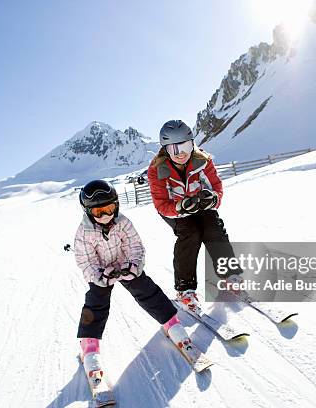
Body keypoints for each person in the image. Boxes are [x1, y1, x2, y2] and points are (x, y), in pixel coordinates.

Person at [74, 179, 193, 379]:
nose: (105, 216)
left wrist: (133, 266)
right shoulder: (84, 233)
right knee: (96, 301)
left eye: (109, 208)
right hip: (102, 272)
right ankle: (89, 345)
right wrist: (99, 276)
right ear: (88, 212)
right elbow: (86, 261)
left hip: (124, 264)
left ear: (117, 205)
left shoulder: (123, 222)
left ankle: (170, 322)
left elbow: (135, 246)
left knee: (146, 289)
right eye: (98, 212)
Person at [147, 120, 242, 313]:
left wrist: (213, 199)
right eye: (174, 149)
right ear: (165, 150)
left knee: (212, 227)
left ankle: (230, 274)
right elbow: (161, 205)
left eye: (185, 146)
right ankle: (185, 289)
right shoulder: (158, 169)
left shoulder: (202, 161)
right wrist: (181, 207)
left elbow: (217, 188)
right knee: (190, 232)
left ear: (192, 143)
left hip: (200, 204)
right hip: (174, 210)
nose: (181, 153)